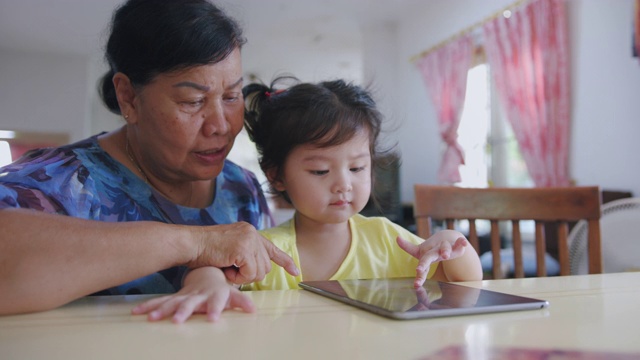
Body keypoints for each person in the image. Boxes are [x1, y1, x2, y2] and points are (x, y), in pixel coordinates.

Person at [0, 0, 298, 322]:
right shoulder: (62, 181)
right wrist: (196, 243)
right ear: (128, 96)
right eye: (193, 101)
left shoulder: (242, 188)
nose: (221, 125)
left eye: (231, 96)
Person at [132, 77, 482, 321]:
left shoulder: (389, 239)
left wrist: (452, 244)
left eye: (358, 168)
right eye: (319, 172)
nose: (343, 185)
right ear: (276, 175)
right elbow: (209, 273)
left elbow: (466, 284)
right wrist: (206, 281)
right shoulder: (265, 250)